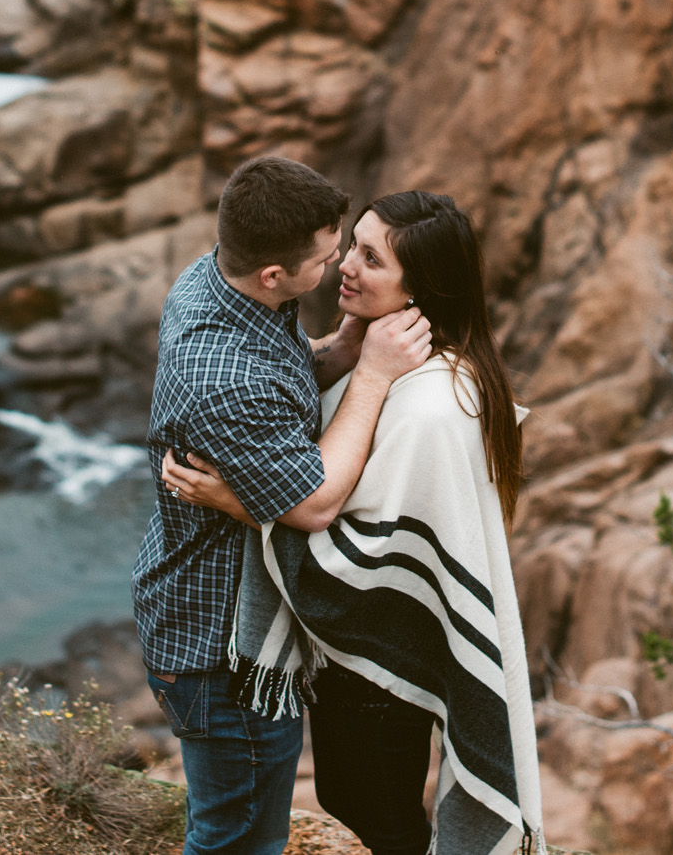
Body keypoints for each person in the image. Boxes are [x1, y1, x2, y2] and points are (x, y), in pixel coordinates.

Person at [162, 190, 544, 855]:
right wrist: (347, 357)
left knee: (376, 809)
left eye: (371, 258)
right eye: (354, 243)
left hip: (383, 657)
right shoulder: (387, 357)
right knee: (354, 798)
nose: (347, 264)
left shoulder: (431, 403)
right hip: (355, 663)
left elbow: (354, 557)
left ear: (419, 289)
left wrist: (241, 502)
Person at [133, 157, 434, 855]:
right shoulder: (222, 372)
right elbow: (317, 502)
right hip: (217, 647)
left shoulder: (221, 282)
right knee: (236, 837)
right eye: (331, 258)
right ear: (275, 273)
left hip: (207, 618)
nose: (340, 269)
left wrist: (351, 343)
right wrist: (378, 376)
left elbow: (290, 373)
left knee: (238, 823)